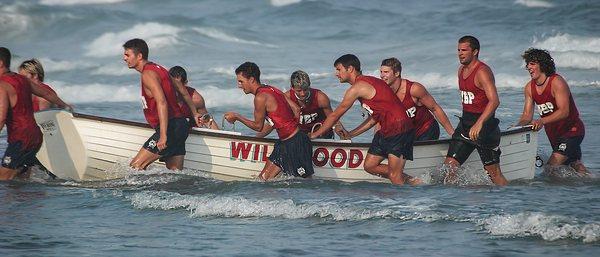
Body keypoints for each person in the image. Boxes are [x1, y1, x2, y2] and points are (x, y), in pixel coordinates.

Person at [310, 54, 418, 185]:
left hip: (399, 128)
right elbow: (374, 118)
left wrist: (314, 135)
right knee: (370, 166)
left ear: (350, 69)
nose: (336, 74)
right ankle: (413, 181)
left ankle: (405, 203)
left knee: (394, 175)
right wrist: (351, 134)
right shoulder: (366, 83)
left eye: (338, 69)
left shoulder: (358, 87)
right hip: (385, 130)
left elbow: (335, 115)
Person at [224, 62, 313, 180]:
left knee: (306, 183)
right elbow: (296, 109)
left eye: (241, 81)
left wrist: (237, 116)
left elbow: (258, 126)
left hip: (295, 144)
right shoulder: (271, 88)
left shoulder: (260, 98)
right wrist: (290, 130)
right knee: (263, 179)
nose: (239, 85)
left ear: (251, 79)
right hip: (286, 143)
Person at [122, 38, 201, 170]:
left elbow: (162, 102)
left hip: (170, 128)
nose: (124, 58)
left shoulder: (148, 74)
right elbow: (183, 90)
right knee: (174, 175)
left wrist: (163, 135)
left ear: (139, 56)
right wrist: (195, 113)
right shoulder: (160, 69)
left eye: (127, 55)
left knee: (135, 167)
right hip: (181, 126)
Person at [443, 36, 507, 186]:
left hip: (485, 128)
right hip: (465, 126)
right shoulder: (461, 70)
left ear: (475, 51)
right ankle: (457, 202)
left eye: (464, 50)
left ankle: (508, 201)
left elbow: (494, 101)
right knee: (449, 168)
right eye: (458, 50)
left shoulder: (482, 71)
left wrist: (479, 124)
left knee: (494, 174)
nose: (460, 53)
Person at [0, 47, 71, 180]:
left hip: (20, 138)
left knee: (3, 178)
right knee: (20, 179)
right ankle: (32, 199)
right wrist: (65, 105)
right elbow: (46, 93)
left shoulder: (2, 85)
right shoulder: (23, 80)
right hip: (35, 137)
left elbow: (1, 117)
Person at [344, 57, 453, 141]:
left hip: (426, 130)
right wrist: (374, 142)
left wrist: (452, 133)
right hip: (406, 133)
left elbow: (435, 109)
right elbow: (377, 120)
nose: (382, 76)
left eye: (386, 72)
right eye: (381, 72)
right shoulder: (382, 93)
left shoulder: (414, 89)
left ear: (397, 73)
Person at [516, 48, 587, 175]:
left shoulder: (556, 82)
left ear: (542, 64)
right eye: (527, 64)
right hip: (555, 135)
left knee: (550, 169)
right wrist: (515, 129)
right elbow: (526, 116)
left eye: (532, 64)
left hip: (572, 131)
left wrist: (542, 121)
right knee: (576, 167)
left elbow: (564, 111)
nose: (528, 67)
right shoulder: (529, 88)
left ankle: (546, 193)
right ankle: (591, 187)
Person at [256, 70, 345, 139]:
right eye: (299, 90)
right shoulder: (287, 98)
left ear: (309, 85)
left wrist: (343, 135)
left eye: (305, 89)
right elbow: (273, 123)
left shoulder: (320, 98)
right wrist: (256, 139)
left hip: (322, 135)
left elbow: (333, 118)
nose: (303, 94)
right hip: (300, 136)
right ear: (292, 87)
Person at [168, 66, 219, 130]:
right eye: (174, 86)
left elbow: (207, 120)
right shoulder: (161, 94)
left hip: (190, 133)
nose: (178, 89)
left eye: (180, 86)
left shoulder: (196, 100)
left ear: (186, 83)